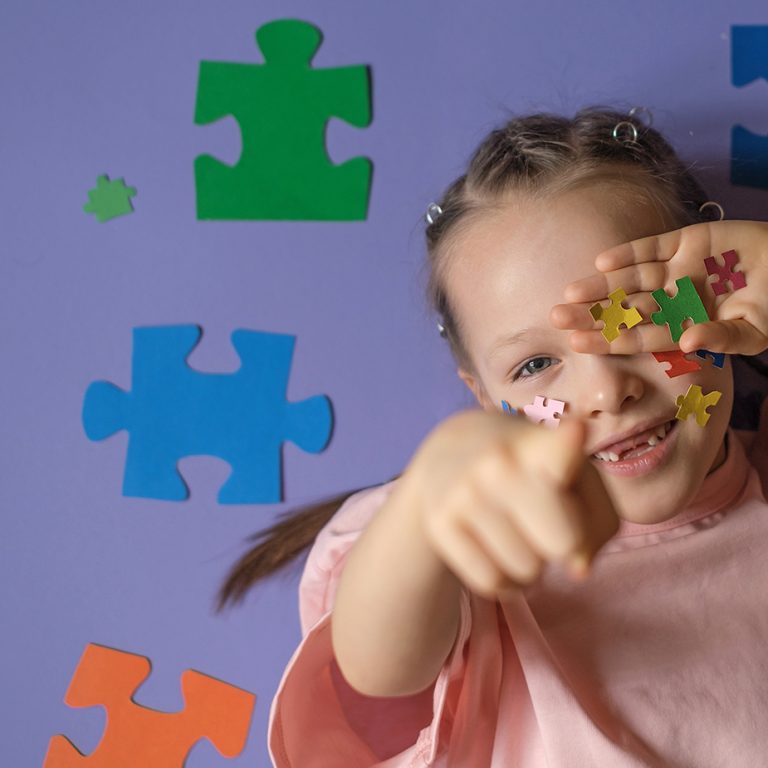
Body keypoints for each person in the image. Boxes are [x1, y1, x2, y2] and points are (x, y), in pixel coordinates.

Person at [219, 106, 768, 766]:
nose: (605, 391)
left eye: (642, 321)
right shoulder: (467, 543)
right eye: (535, 365)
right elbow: (378, 668)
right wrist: (427, 504)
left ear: (722, 303)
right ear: (482, 398)